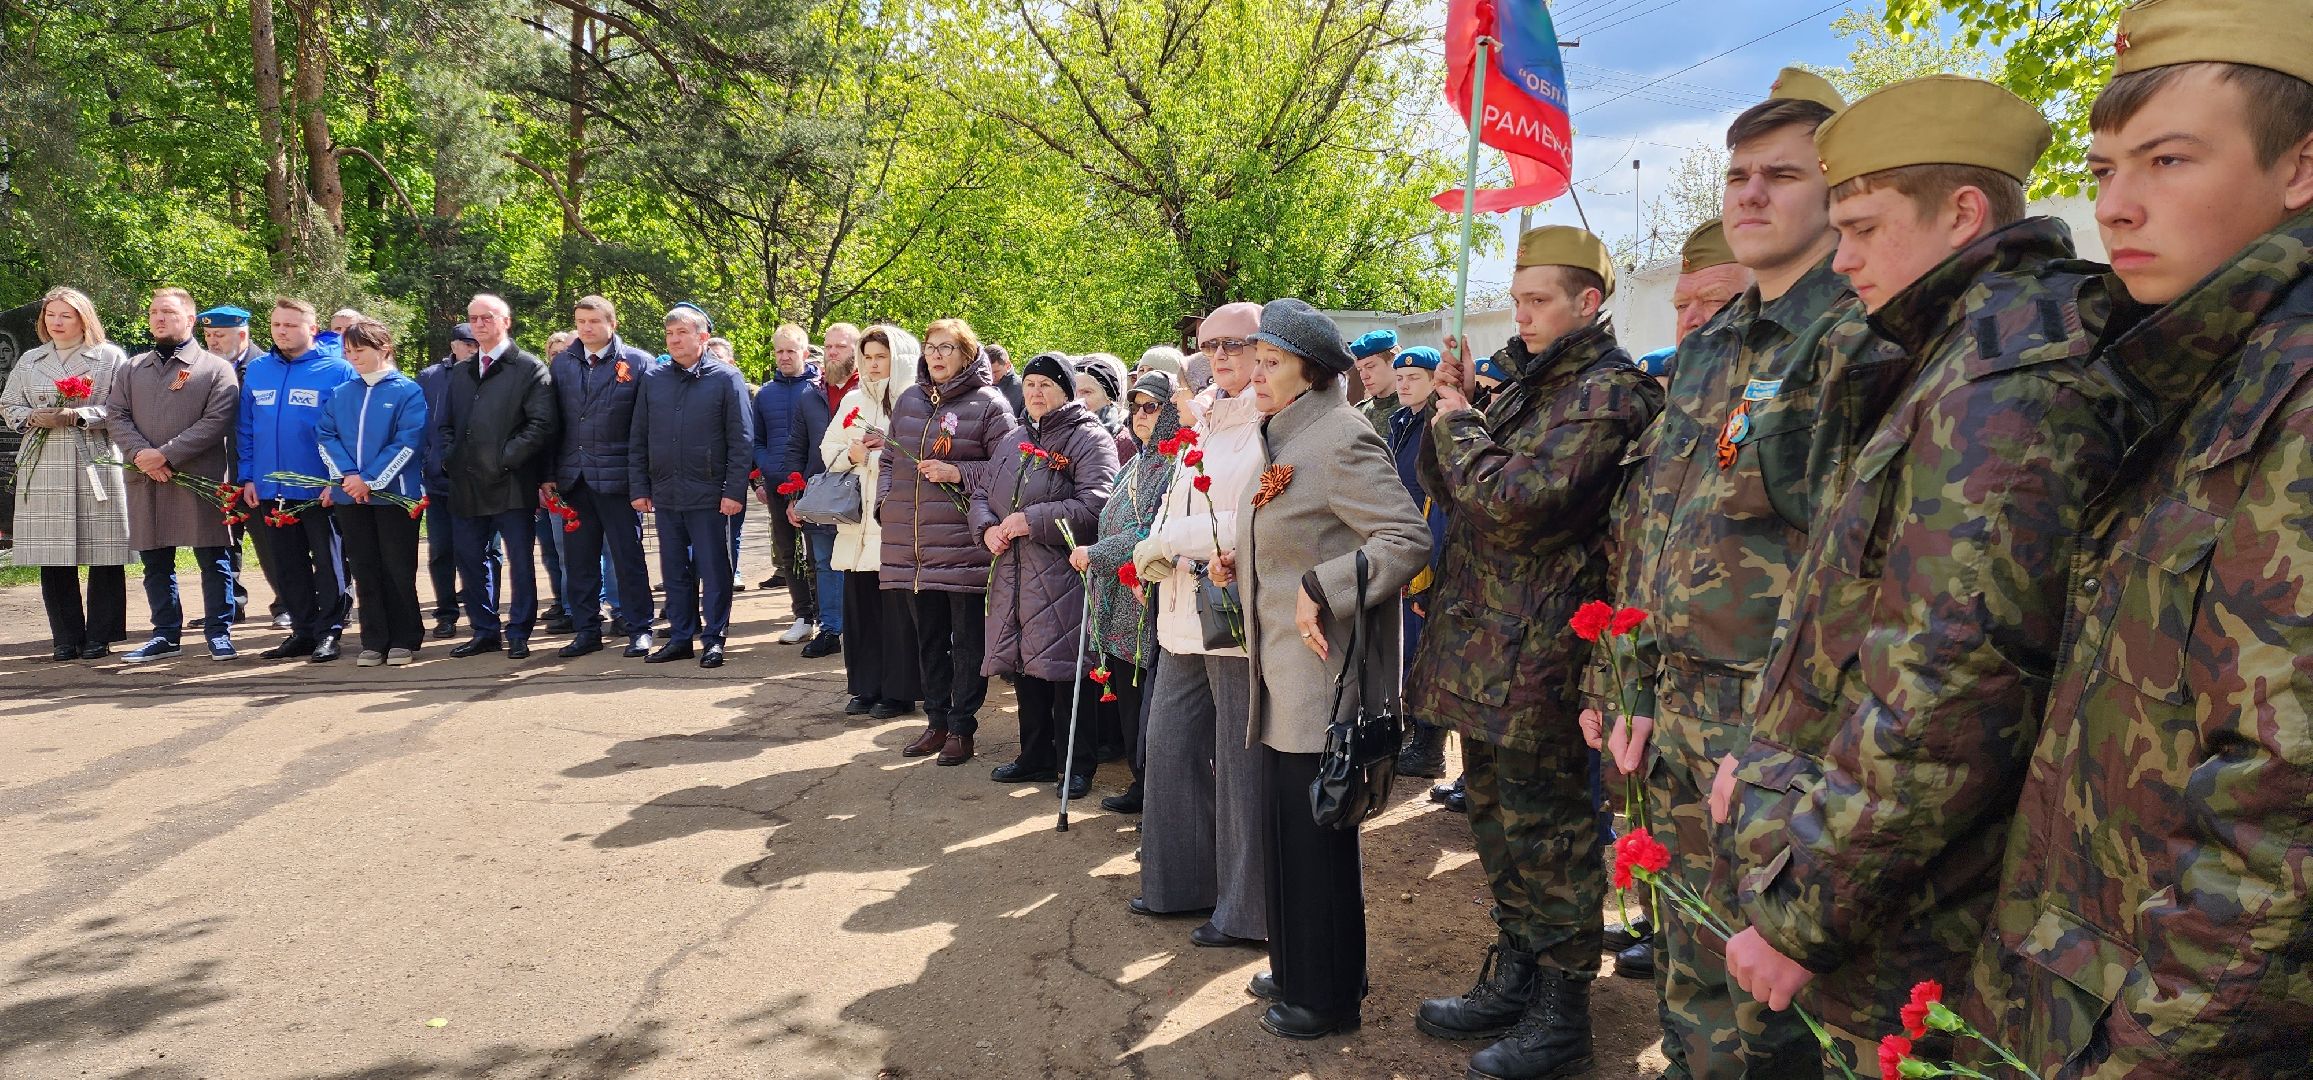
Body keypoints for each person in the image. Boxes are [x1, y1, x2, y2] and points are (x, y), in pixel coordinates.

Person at [1716, 78, 2131, 1070]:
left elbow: (1947, 689)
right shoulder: (1957, 352)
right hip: (1896, 872)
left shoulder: (2005, 375)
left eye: (1861, 227)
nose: (1843, 257)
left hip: (1932, 914)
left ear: (1964, 214)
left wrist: (1801, 915)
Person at [1967, 4, 2313, 1069]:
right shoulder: (2206, 369)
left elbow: (2284, 823)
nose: (2115, 206)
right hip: (2093, 976)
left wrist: (2138, 1054)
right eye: (2105, 167)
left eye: (2167, 160)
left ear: (2301, 168)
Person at [1571, 71, 1855, 1077]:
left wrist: (1791, 746)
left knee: (1775, 1012)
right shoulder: (1712, 350)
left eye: (1783, 175)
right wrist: (1622, 681)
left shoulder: (1853, 342)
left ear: (1839, 191)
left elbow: (1851, 581)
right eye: (1738, 174)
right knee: (1690, 974)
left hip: (1772, 742)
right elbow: (1657, 541)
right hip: (1681, 722)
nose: (1750, 194)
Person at [1407, 227, 1663, 1080]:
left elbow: (1515, 502)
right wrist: (1462, 406)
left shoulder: (1606, 393)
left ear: (1589, 302)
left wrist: (1458, 424)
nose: (1521, 315)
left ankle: (1563, 1010)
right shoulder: (1527, 387)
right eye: (1516, 300)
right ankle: (1517, 970)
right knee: (1497, 825)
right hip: (1485, 646)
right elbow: (1454, 492)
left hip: (1543, 653)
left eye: (1539, 300)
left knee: (1550, 835)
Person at [1208, 299, 1428, 1040]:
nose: (1256, 375)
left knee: (1316, 842)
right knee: (1289, 834)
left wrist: (1317, 587)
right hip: (1283, 676)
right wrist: (1247, 564)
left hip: (1319, 681)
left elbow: (1404, 539)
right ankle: (1303, 961)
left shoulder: (1339, 436)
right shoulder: (1289, 434)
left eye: (1269, 364)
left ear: (1309, 372)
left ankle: (1327, 997)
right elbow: (1298, 531)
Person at [1129, 301, 1272, 952]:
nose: (1219, 355)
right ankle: (1179, 882)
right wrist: (1152, 546)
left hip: (1231, 605)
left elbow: (1248, 517)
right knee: (1168, 745)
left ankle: (1247, 911)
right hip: (1181, 604)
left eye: (1235, 343)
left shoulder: (1271, 421)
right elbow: (1173, 500)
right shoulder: (1205, 418)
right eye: (1209, 344)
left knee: (1242, 767)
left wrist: (1171, 542)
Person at [976, 353, 1120, 798]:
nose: (1035, 392)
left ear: (1066, 391)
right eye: (1032, 383)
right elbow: (983, 489)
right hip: (1014, 573)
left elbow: (1098, 505)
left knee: (1065, 672)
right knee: (1024, 666)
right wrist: (986, 529)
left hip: (1062, 574)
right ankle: (1034, 756)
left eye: (1046, 385)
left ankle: (1077, 764)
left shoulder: (1088, 439)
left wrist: (1030, 520)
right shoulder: (1015, 437)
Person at [873, 317, 1015, 766]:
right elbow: (890, 462)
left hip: (963, 543)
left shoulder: (990, 404)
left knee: (967, 640)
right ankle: (935, 721)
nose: (935, 355)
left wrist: (957, 472)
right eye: (931, 347)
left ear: (968, 355)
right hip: (912, 546)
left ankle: (961, 727)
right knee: (928, 637)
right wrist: (884, 506)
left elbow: (1006, 470)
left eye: (946, 348)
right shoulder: (910, 399)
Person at [109, 288, 241, 662]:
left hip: (197, 475)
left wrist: (164, 455)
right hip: (146, 477)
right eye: (154, 312)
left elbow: (216, 421)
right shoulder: (132, 368)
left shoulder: (215, 368)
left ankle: (219, 631)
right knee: (155, 560)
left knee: (213, 557)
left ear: (190, 320)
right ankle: (165, 634)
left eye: (168, 312)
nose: (159, 318)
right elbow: (116, 415)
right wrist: (141, 455)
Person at [4, 287, 132, 660]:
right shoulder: (30, 359)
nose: (56, 323)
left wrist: (80, 415)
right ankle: (65, 636)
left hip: (94, 458)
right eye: (50, 316)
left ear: (83, 319)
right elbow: (9, 402)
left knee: (104, 549)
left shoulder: (109, 357)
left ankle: (101, 636)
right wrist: (30, 417)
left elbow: (122, 407)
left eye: (66, 316)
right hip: (44, 461)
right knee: (53, 550)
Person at [1077, 369, 1181, 814]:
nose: (1140, 416)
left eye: (1152, 407)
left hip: (1145, 595)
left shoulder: (1176, 465)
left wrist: (1098, 553)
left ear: (1172, 412)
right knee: (1126, 688)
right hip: (1117, 597)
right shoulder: (1135, 463)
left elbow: (1150, 528)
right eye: (1135, 407)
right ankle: (1141, 784)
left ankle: (1155, 788)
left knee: (1146, 696)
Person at [630, 303, 753, 669]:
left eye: (681, 333)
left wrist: (733, 491)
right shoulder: (654, 379)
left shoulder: (726, 378)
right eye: (669, 334)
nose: (674, 340)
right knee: (674, 571)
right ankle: (681, 637)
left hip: (711, 496)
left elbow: (741, 439)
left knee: (715, 570)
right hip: (667, 493)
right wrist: (639, 486)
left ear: (702, 337)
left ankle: (714, 638)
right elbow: (639, 436)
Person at [436, 293, 556, 660]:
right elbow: (444, 425)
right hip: (466, 482)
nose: (479, 324)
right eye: (474, 318)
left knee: (519, 560)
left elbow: (541, 424)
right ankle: (484, 630)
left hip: (511, 482)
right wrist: (450, 459)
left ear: (506, 321)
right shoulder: (460, 371)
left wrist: (504, 459)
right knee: (471, 559)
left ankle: (518, 630)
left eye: (487, 317)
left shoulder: (529, 368)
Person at [237, 298, 357, 663]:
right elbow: (246, 428)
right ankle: (302, 631)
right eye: (276, 325)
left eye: (290, 324)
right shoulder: (258, 370)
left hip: (319, 489)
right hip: (271, 487)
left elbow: (348, 431)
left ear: (312, 328)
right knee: (286, 563)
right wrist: (248, 476)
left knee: (329, 561)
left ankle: (329, 632)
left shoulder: (337, 370)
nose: (282, 331)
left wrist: (336, 480)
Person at [820, 325, 923, 719]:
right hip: (855, 525)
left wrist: (876, 459)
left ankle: (898, 691)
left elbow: (919, 459)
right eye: (867, 357)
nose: (873, 364)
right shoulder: (852, 402)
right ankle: (864, 686)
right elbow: (827, 451)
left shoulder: (914, 401)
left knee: (897, 612)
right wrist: (853, 454)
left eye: (881, 357)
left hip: (895, 523)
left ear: (896, 359)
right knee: (860, 607)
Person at [546, 295, 656, 659]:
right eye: (581, 321)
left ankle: (639, 628)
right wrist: (549, 475)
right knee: (578, 562)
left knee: (627, 558)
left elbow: (646, 429)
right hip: (574, 481)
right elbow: (552, 424)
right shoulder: (562, 364)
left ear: (612, 323)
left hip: (619, 480)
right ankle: (586, 630)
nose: (587, 328)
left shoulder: (638, 363)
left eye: (594, 321)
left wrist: (643, 481)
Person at [317, 318, 430, 666]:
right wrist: (349, 477)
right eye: (348, 351)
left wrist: (370, 478)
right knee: (364, 567)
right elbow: (326, 435)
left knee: (397, 567)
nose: (353, 357)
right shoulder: (341, 393)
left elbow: (408, 440)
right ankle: (373, 639)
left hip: (393, 497)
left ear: (384, 349)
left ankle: (405, 637)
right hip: (351, 496)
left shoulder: (407, 391)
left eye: (360, 351)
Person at [1384, 346, 1451, 781]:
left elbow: (1440, 502)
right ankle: (1417, 739)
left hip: (1424, 553)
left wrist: (1429, 568)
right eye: (1401, 377)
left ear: (1434, 381)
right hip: (1402, 549)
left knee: (1428, 656)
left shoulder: (1435, 425)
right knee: (1409, 654)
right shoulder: (1403, 422)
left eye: (1415, 377)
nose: (1405, 384)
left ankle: (1430, 750)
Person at [782, 324, 861, 660]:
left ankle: (864, 630)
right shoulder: (810, 395)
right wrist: (794, 496)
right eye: (828, 347)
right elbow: (796, 448)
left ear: (855, 351)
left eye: (840, 347)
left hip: (862, 493)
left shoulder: (871, 391)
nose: (831, 353)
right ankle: (831, 630)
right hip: (821, 494)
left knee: (862, 564)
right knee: (824, 563)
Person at [196, 305, 274, 627]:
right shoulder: (203, 368)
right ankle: (231, 606)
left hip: (255, 471)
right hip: (217, 469)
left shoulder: (265, 366)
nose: (212, 341)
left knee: (270, 544)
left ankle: (286, 605)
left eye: (220, 335)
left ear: (242, 334)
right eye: (208, 335)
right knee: (226, 543)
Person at [417, 322, 492, 641]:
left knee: (481, 552)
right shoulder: (431, 377)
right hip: (438, 481)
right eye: (468, 343)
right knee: (441, 551)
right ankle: (446, 613)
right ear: (454, 345)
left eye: (478, 344)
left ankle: (485, 616)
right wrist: (426, 462)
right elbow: (420, 425)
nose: (474, 348)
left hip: (481, 482)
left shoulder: (492, 371)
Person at [753, 323, 822, 645]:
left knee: (818, 552)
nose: (784, 356)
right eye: (779, 351)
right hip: (780, 484)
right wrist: (767, 467)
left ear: (805, 353)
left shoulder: (819, 389)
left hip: (816, 485)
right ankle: (802, 615)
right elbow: (757, 439)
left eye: (790, 350)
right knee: (788, 551)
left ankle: (827, 615)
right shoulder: (765, 394)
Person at [1073, 352, 1137, 461]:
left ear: (1108, 398)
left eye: (1087, 392)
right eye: (1074, 392)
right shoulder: (1060, 435)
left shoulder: (1125, 442)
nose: (1078, 400)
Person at [1347, 330, 1398, 437]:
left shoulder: (1411, 412)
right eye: (1360, 370)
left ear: (1393, 361)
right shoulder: (1360, 412)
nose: (1364, 376)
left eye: (1370, 367)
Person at [985, 343, 1025, 418]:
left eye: (996, 372)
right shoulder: (977, 386)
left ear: (1008, 365)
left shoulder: (1023, 388)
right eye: (988, 372)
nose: (992, 376)